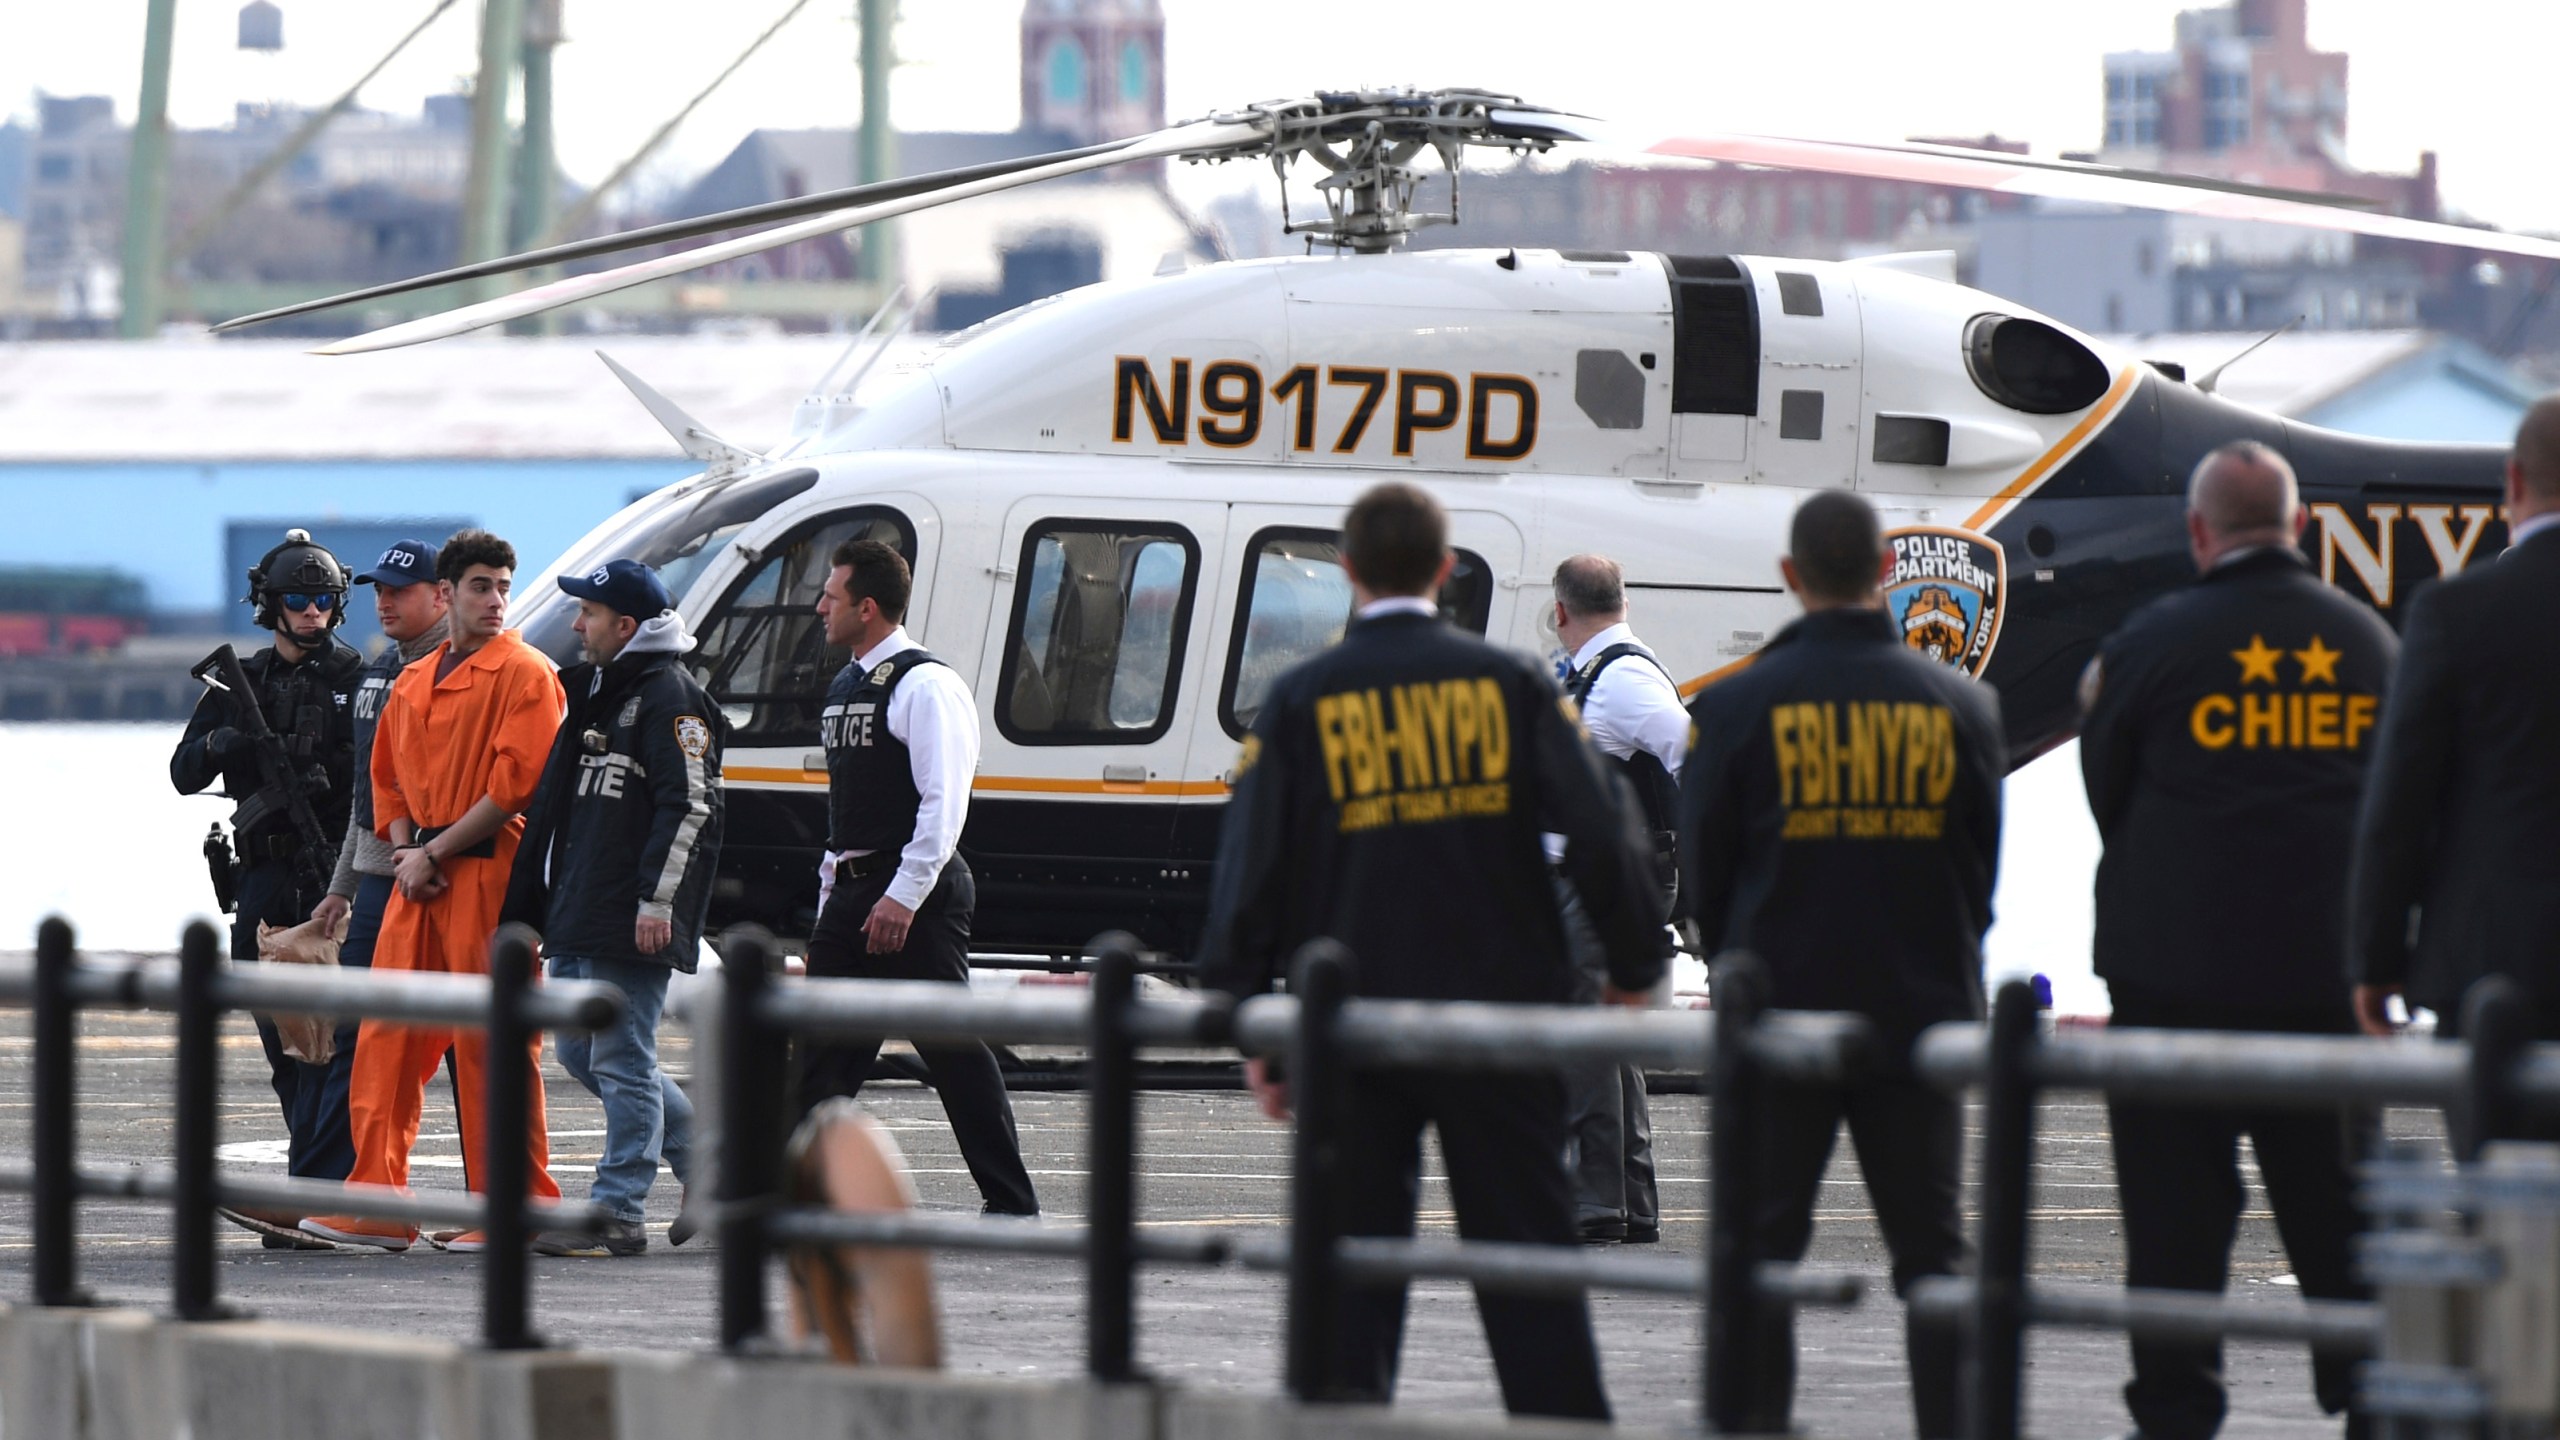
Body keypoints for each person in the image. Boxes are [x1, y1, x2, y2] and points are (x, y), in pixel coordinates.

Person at [1198, 483, 1668, 1421]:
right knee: (1528, 1272)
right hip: (1498, 1021)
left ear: (1347, 571)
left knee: (1351, 1284)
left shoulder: (1300, 700)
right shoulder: (1515, 687)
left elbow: (1252, 871)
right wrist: (1629, 968)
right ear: (1447, 572)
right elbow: (1603, 827)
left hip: (1356, 1025)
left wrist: (1255, 1026)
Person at [2081, 441, 2394, 1440]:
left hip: (2172, 978)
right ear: (2299, 528)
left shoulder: (2149, 641)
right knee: (2342, 1226)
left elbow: (2105, 789)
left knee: (2173, 1235)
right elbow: (2403, 810)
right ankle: (2370, 1405)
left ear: (2196, 531)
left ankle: (2176, 1414)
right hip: (2325, 987)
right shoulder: (2368, 645)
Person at [1677, 488, 2004, 1440]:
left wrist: (1734, 946)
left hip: (1779, 1008)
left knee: (1760, 1247)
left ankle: (1754, 1426)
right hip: (1922, 1008)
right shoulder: (1964, 705)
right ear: (1887, 575)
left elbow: (1704, 872)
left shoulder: (1735, 705)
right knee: (1936, 1258)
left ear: (1792, 577)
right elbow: (1976, 871)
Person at [302, 530, 567, 1251]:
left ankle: (518, 1208)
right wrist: (407, 847)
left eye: (504, 586)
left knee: (495, 1047)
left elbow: (515, 786)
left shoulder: (528, 674)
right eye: (482, 586)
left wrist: (429, 850)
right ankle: (376, 1204)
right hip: (419, 880)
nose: (497, 601)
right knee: (386, 1041)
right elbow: (382, 780)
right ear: (449, 594)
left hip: (484, 877)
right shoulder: (413, 681)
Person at [799, 538, 1039, 1218]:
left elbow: (944, 803)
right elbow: (848, 808)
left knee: (953, 1054)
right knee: (822, 1056)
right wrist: (832, 897)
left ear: (867, 608)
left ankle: (1013, 1203)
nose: (820, 607)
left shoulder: (926, 685)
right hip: (853, 894)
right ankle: (771, 1194)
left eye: (831, 595)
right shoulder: (848, 684)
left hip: (915, 899)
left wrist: (903, 895)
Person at [503, 559, 723, 1256]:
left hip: (630, 918)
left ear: (625, 626)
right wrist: (541, 912)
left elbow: (690, 807)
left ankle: (617, 1212)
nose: (576, 626)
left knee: (624, 1061)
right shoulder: (601, 691)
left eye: (589, 615)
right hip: (582, 912)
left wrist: (657, 901)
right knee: (580, 1051)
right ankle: (711, 1166)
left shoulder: (672, 699)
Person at [170, 528, 365, 1245]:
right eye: (299, 600)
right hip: (262, 882)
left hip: (330, 880)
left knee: (329, 1043)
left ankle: (315, 1192)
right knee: (279, 1042)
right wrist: (227, 743)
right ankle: (309, 1184)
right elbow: (183, 772)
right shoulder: (237, 685)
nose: (313, 612)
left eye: (323, 599)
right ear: (271, 605)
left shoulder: (360, 682)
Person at [2352, 394, 2560, 1044]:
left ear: (2515, 482)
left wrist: (2376, 961)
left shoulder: (2453, 612)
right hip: (2490, 966)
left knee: (2499, 1150)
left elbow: (2400, 804)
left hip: (2492, 969)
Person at [1548, 553, 1683, 1244]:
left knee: (1588, 1037)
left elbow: (1692, 751)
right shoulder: (1587, 674)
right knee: (1610, 1035)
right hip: (1594, 876)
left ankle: (1598, 1203)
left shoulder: (1624, 677)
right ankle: (1629, 1201)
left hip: (1607, 880)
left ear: (1561, 609)